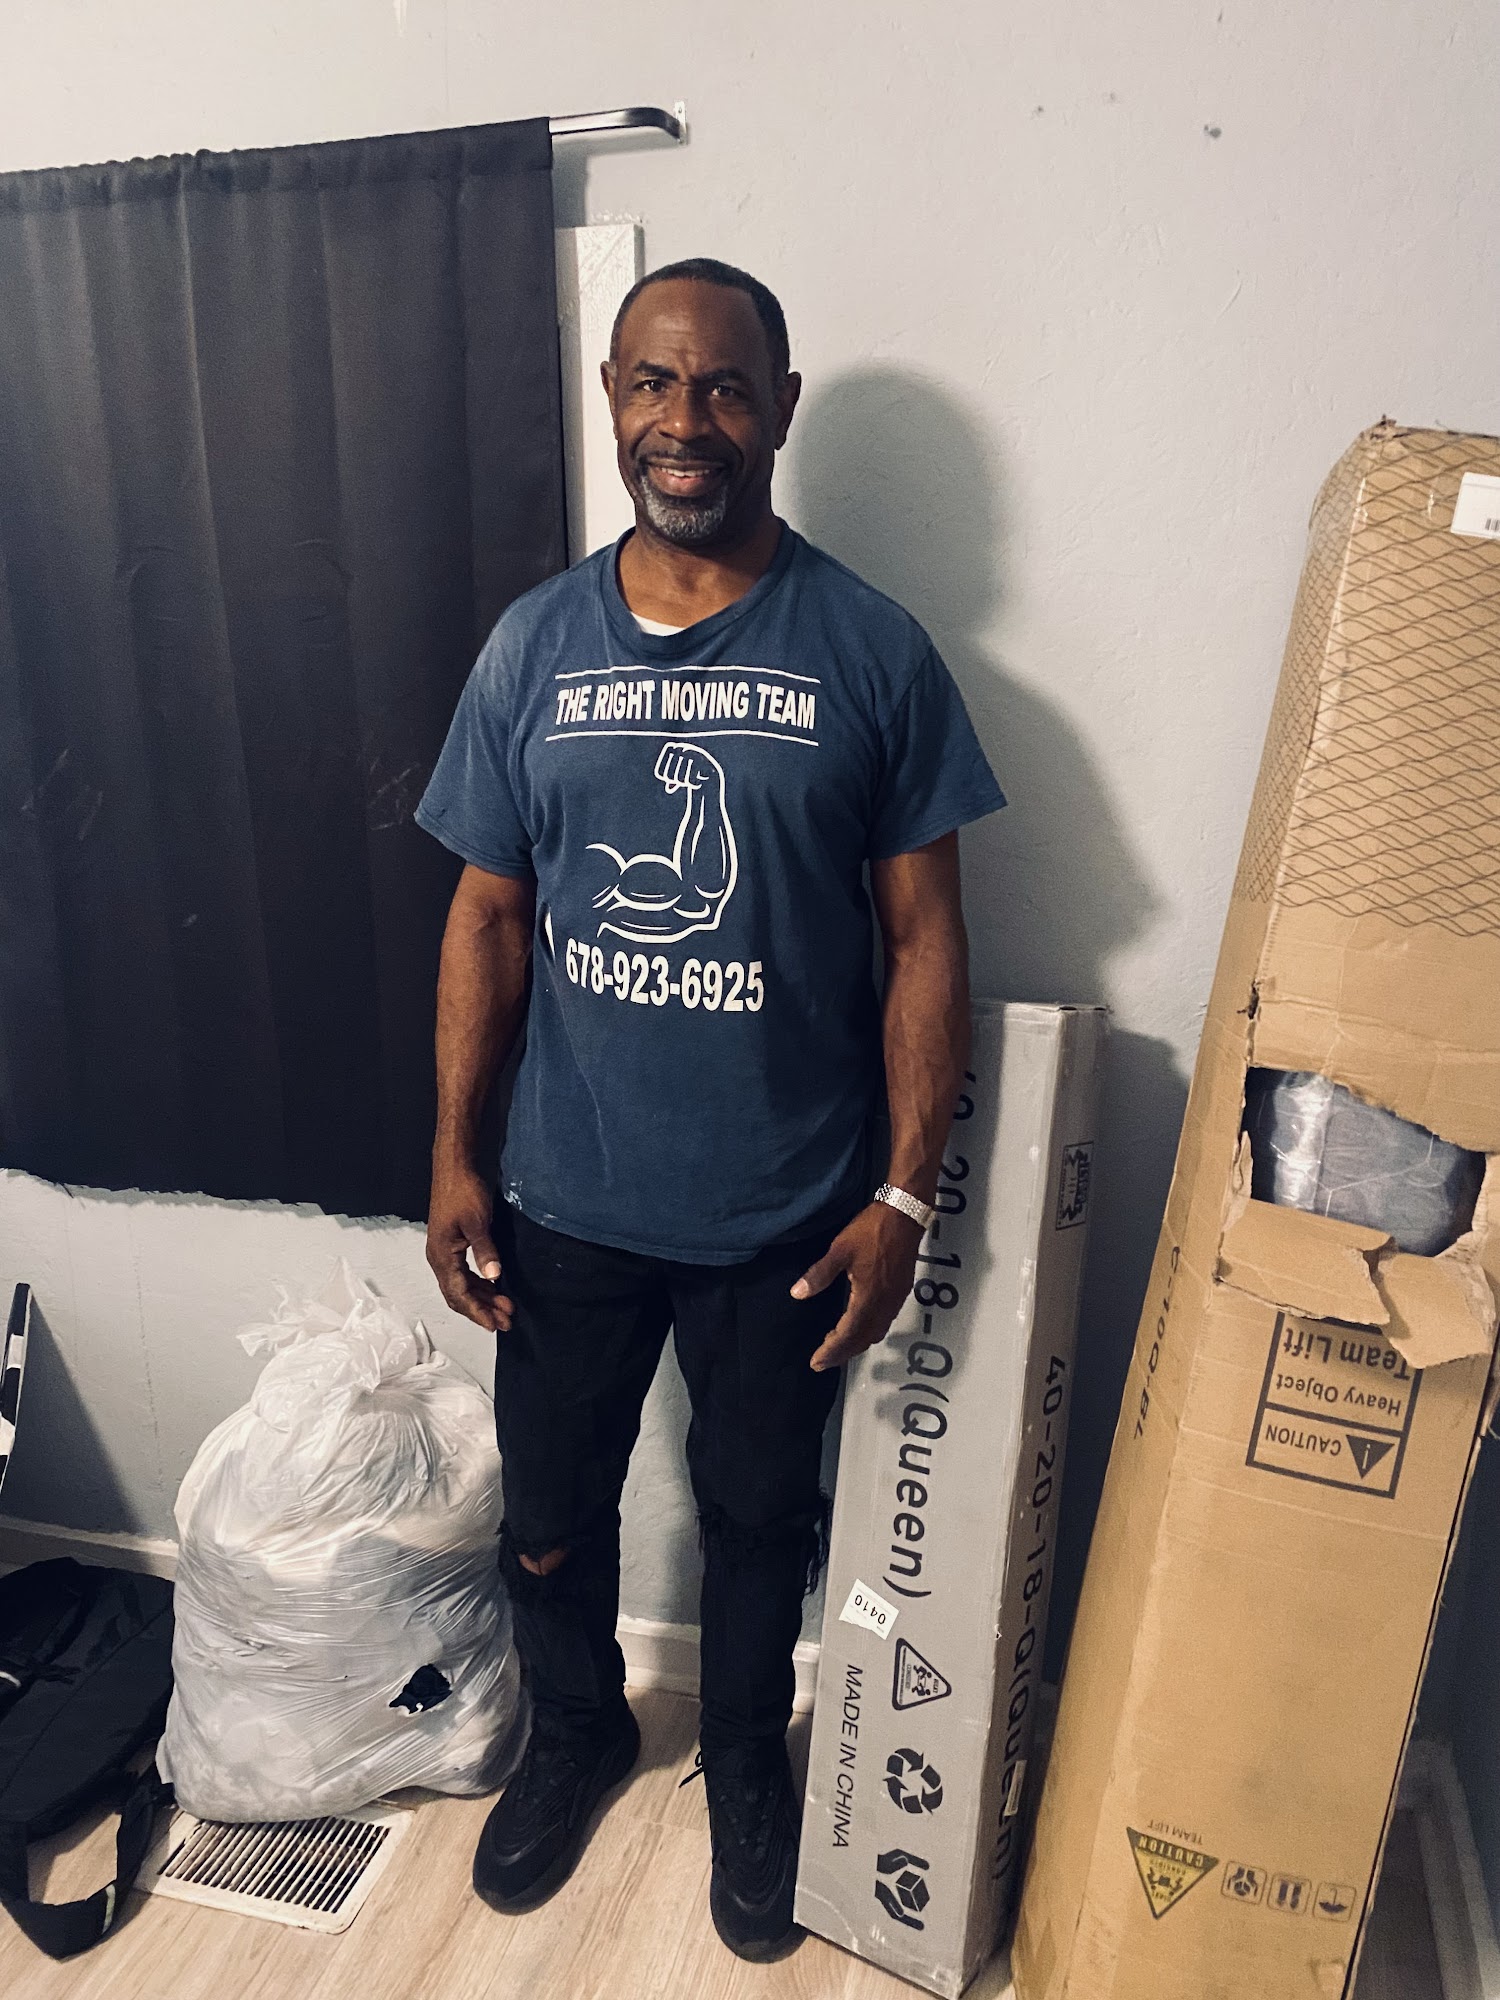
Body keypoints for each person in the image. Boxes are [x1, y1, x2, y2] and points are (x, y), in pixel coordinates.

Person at [416, 257, 1004, 1961]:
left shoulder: (873, 651)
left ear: (781, 409)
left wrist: (904, 1196)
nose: (688, 421)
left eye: (728, 385)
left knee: (760, 1526)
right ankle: (579, 1730)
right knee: (548, 1519)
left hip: (785, 1217)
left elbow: (926, 942)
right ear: (613, 399)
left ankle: (747, 1763)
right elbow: (487, 915)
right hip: (565, 1202)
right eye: (655, 383)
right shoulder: (533, 646)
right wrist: (455, 1154)